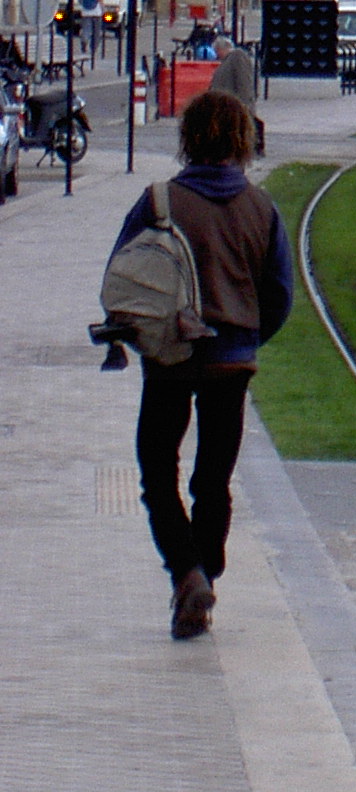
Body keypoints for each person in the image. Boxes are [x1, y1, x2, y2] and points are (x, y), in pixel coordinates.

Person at [111, 90, 291, 640]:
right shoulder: (261, 208)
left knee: (157, 472)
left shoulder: (158, 202)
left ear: (189, 139)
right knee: (213, 479)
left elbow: (123, 277)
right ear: (241, 142)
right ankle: (204, 579)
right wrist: (247, 335)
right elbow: (279, 293)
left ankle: (186, 573)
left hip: (169, 357)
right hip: (231, 363)